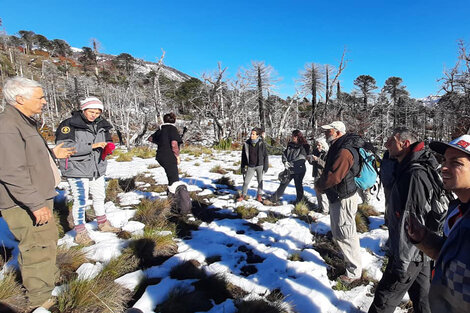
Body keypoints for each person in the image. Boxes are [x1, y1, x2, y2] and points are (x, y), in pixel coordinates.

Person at [0, 77, 75, 310]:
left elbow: (25, 157)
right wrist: (34, 203)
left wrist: (52, 155)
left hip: (38, 195)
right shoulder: (7, 126)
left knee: (45, 241)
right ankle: (40, 300)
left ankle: (46, 280)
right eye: (40, 97)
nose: (44, 101)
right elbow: (10, 170)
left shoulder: (22, 122)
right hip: (26, 201)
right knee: (37, 247)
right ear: (20, 99)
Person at [368, 127, 434, 313]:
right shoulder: (414, 165)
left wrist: (401, 263)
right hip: (421, 250)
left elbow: (411, 220)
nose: (386, 144)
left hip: (408, 252)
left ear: (405, 144)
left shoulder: (412, 175)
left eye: (392, 140)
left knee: (384, 299)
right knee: (422, 297)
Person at [407, 134, 470, 313]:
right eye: (444, 161)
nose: (444, 168)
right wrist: (424, 239)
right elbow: (455, 257)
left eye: (456, 163)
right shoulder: (457, 209)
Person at [56, 96, 120, 246]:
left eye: (97, 113)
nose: (94, 115)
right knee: (81, 199)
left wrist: (108, 146)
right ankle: (81, 233)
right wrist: (92, 146)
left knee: (99, 196)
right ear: (83, 109)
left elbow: (107, 139)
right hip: (77, 167)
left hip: (97, 167)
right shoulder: (69, 125)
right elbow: (64, 148)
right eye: (91, 112)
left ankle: (103, 223)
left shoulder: (102, 125)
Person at [314, 121, 363, 283]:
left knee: (346, 234)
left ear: (338, 132)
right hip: (340, 196)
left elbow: (335, 176)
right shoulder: (339, 146)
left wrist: (320, 186)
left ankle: (354, 273)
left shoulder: (344, 151)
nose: (326, 133)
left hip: (343, 197)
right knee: (341, 232)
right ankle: (352, 265)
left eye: (329, 131)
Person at [265, 130, 310, 204]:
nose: (292, 137)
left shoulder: (304, 146)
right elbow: (284, 154)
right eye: (292, 136)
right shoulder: (290, 145)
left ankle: (300, 201)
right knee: (283, 183)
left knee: (298, 185)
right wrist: (285, 161)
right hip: (289, 169)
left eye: (294, 136)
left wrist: (291, 164)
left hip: (299, 170)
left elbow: (302, 158)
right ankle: (273, 199)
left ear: (298, 137)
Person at [149, 112, 183, 185]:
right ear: (174, 120)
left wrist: (161, 143)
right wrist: (177, 156)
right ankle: (173, 195)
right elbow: (174, 144)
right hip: (169, 156)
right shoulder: (172, 129)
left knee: (171, 178)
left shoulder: (161, 129)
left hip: (160, 156)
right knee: (174, 181)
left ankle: (171, 193)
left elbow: (150, 138)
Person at [239, 127, 269, 202]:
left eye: (253, 134)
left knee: (260, 181)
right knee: (246, 182)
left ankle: (259, 196)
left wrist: (265, 167)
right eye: (251, 134)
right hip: (250, 166)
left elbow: (265, 156)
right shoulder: (246, 144)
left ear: (257, 136)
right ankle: (243, 195)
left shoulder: (261, 143)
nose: (251, 136)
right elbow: (243, 156)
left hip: (260, 165)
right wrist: (242, 167)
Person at [308, 137, 329, 213]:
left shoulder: (327, 153)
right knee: (317, 193)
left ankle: (325, 210)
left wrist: (317, 159)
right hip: (316, 174)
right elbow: (313, 163)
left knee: (323, 193)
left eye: (319, 145)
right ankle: (320, 207)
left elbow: (326, 165)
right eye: (317, 145)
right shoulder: (316, 152)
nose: (317, 147)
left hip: (323, 176)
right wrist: (310, 159)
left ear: (323, 145)